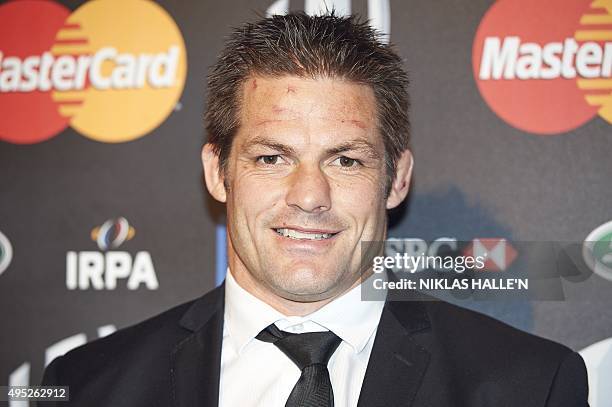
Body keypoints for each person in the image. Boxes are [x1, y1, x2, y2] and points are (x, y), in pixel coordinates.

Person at [42, 12, 589, 407]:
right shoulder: (89, 385)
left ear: (396, 179)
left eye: (346, 161)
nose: (309, 195)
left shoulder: (530, 384)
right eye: (273, 157)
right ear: (218, 173)